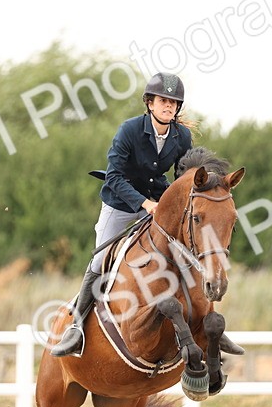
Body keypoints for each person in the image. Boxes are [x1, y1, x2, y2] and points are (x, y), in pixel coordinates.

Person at [52, 72, 241, 358]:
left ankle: (210, 326)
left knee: (190, 251)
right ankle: (76, 327)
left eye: (173, 102)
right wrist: (144, 204)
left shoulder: (182, 136)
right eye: (163, 101)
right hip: (119, 203)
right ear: (150, 103)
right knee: (100, 258)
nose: (168, 106)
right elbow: (114, 177)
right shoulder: (129, 131)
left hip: (157, 201)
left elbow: (184, 177)